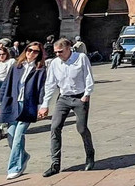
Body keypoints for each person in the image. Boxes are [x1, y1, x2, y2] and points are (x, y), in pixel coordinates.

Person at [39, 37, 96, 176]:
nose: (58, 54)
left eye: (60, 51)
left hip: (80, 97)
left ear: (69, 48)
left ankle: (90, 154)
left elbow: (88, 76)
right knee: (55, 127)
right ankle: (55, 164)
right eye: (55, 52)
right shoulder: (54, 63)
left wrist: (87, 94)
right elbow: (50, 84)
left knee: (81, 128)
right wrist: (45, 104)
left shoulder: (81, 58)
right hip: (63, 98)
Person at [0, 42, 48, 179]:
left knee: (18, 136)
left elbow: (42, 88)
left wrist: (41, 105)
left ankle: (15, 168)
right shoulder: (16, 66)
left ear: (39, 54)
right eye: (29, 50)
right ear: (25, 51)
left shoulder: (40, 69)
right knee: (11, 135)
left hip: (28, 104)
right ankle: (23, 156)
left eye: (35, 51)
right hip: (13, 103)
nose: (31, 53)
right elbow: (6, 84)